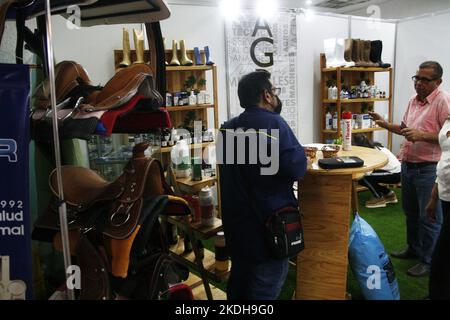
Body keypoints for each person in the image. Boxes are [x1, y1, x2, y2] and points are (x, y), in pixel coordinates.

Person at [217, 70, 307, 300]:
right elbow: (297, 169)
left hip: (237, 230)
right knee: (263, 291)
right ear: (266, 95)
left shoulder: (227, 129)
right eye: (274, 91)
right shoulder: (275, 124)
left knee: (239, 287)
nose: (276, 96)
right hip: (268, 231)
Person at [369, 61, 450, 277]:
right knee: (411, 213)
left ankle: (428, 259)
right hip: (409, 165)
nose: (419, 83)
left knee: (430, 217)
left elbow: (447, 137)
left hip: (429, 168)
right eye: (417, 78)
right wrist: (385, 125)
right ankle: (414, 248)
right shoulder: (413, 101)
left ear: (438, 82)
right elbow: (406, 130)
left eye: (425, 79)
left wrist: (422, 135)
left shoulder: (443, 101)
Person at [426, 115, 450, 299]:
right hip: (445, 192)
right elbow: (444, 158)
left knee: (441, 256)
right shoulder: (449, 119)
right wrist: (434, 196)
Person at [353, 134, 401, 209]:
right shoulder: (375, 146)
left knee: (362, 176)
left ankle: (378, 198)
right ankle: (389, 194)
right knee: (364, 176)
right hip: (397, 171)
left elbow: (367, 171)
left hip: (394, 173)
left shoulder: (369, 152)